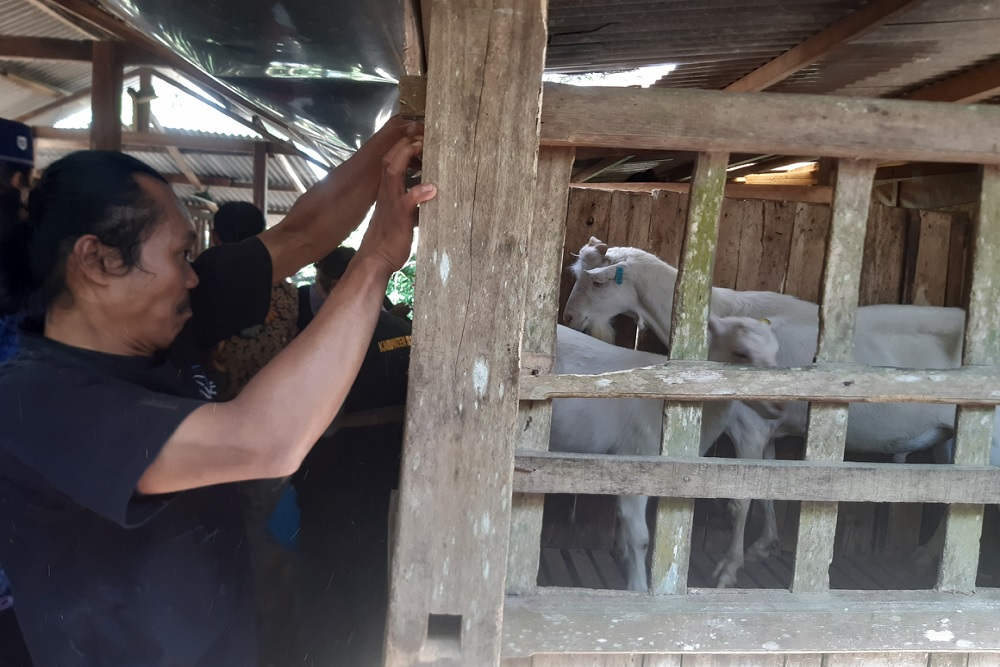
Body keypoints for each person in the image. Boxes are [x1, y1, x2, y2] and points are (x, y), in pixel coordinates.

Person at [0, 117, 435, 666]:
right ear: (97, 261)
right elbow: (264, 440)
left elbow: (300, 233)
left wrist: (399, 137)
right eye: (181, 255)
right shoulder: (37, 404)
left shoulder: (169, 323)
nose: (193, 276)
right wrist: (373, 263)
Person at [293, 246, 413, 666]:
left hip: (334, 475)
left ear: (329, 283)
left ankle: (325, 650)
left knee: (327, 572)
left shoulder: (319, 335)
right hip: (391, 473)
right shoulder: (405, 328)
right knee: (374, 570)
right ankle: (367, 646)